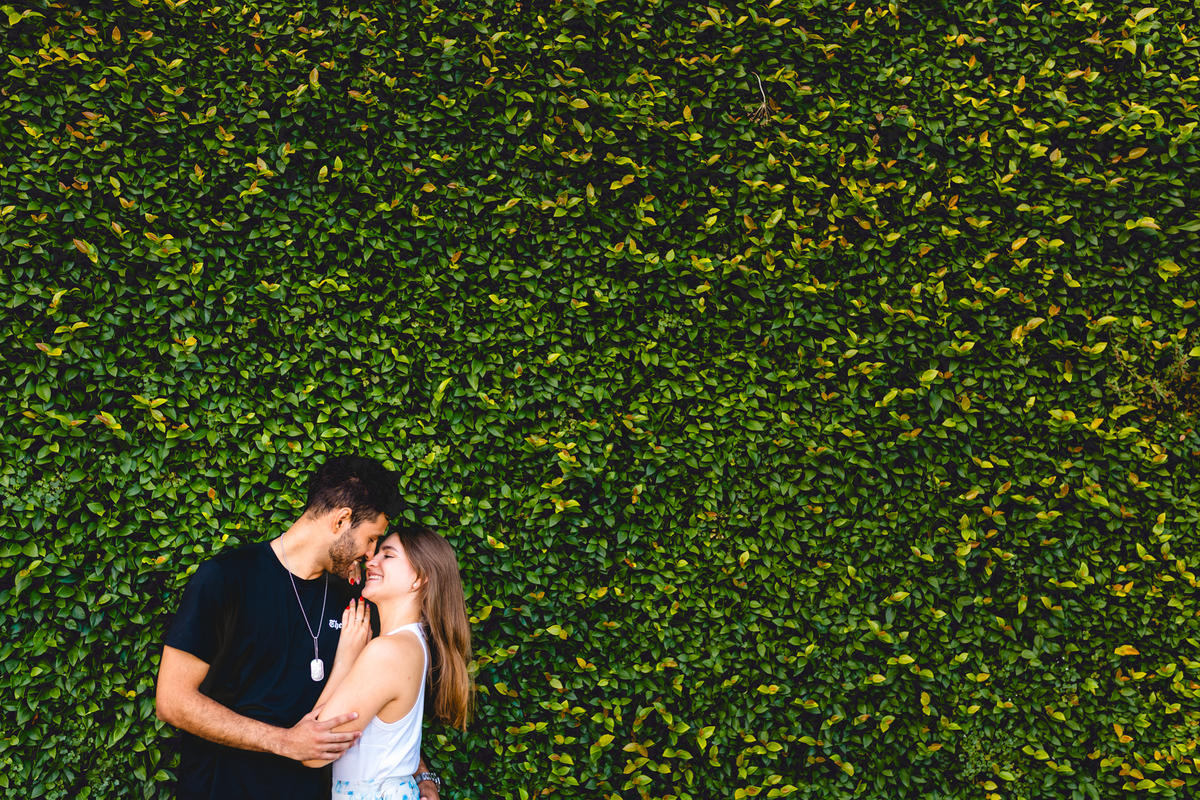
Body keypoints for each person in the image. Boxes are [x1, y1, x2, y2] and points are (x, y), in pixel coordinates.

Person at [155, 455, 444, 800]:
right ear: (342, 520)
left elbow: (379, 703)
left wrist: (421, 772)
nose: (371, 556)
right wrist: (284, 741)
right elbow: (172, 701)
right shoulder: (225, 578)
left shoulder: (357, 599)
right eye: (371, 539)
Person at [301, 525, 472, 800]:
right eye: (375, 552)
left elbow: (314, 752)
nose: (371, 561)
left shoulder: (388, 651)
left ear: (420, 578)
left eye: (388, 556)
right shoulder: (413, 643)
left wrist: (346, 659)